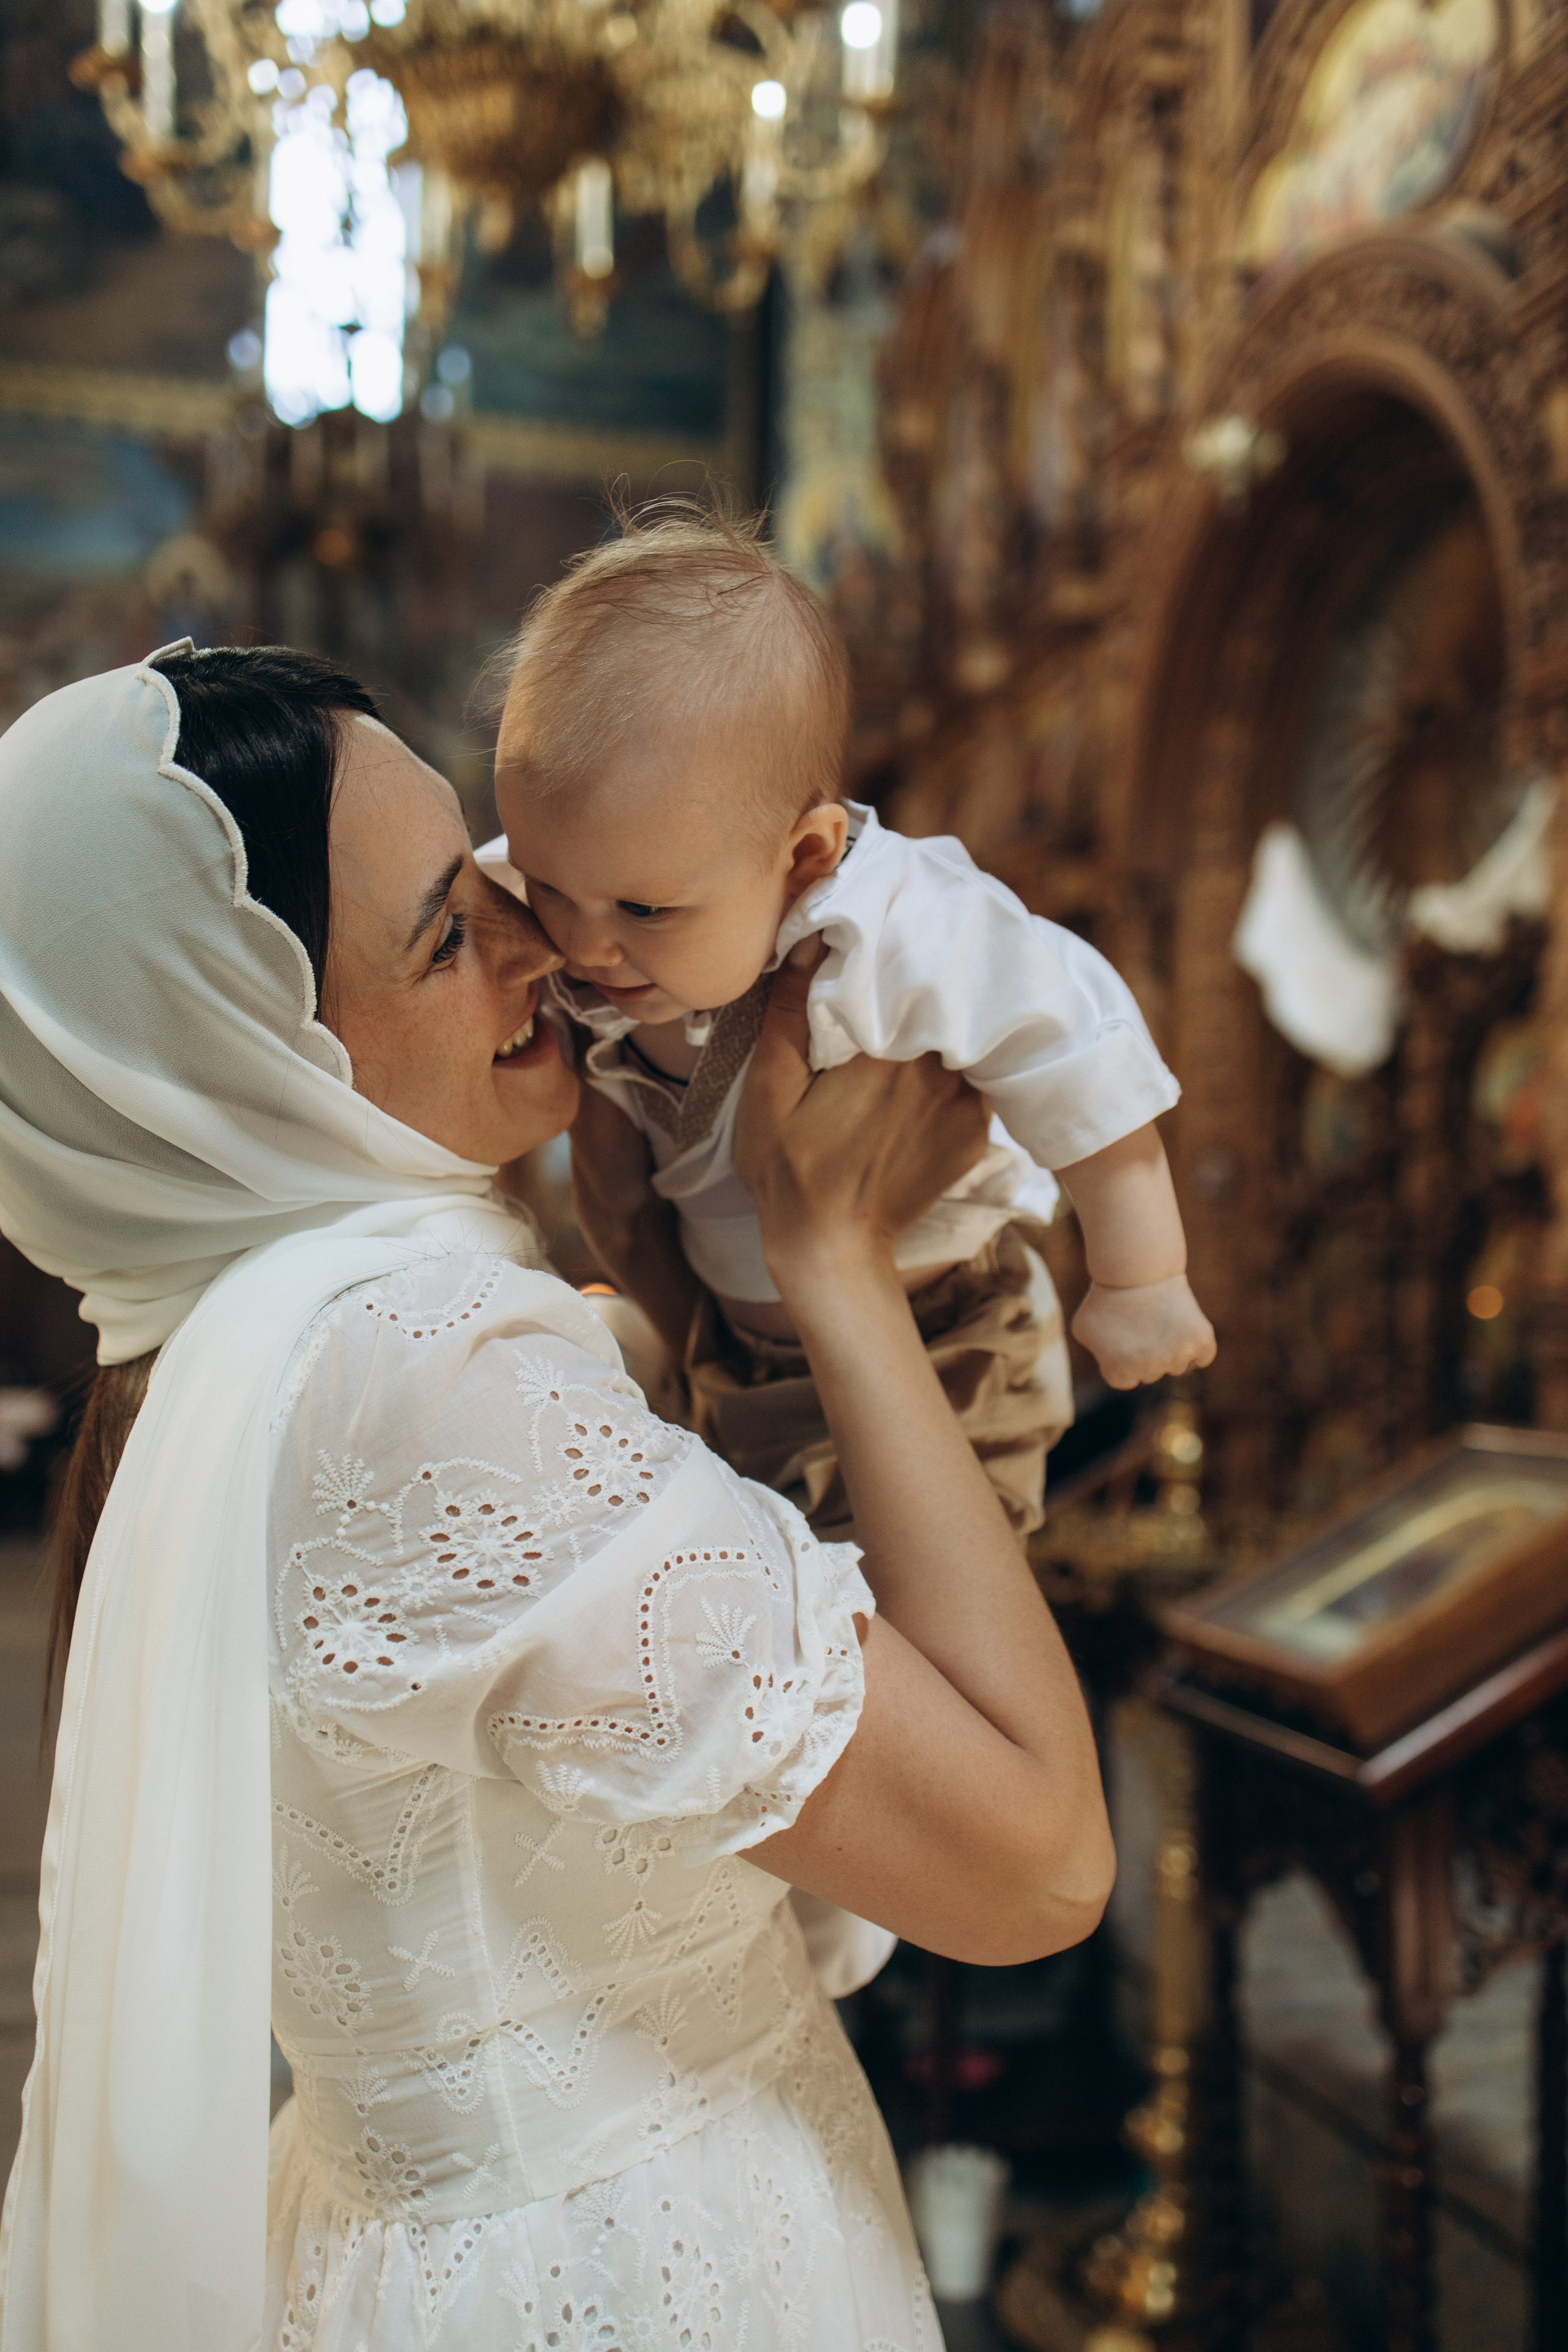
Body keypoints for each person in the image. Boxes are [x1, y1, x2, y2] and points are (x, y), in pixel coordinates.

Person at [0, 642, 1114, 2352]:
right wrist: (832, 1256)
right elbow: (1034, 1864)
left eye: (489, 873)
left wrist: (656, 1282)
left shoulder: (217, 1330)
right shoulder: (422, 1373)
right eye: (449, 929)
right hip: (626, 2270)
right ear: (256, 1058)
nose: (549, 943)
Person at [481, 502, 1215, 1545]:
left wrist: (1140, 1271)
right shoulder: (584, 884)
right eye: (550, 884)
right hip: (735, 1348)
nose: (585, 944)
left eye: (644, 910)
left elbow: (1067, 1027)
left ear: (807, 857)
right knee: (755, 1573)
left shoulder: (884, 926)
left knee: (898, 1613)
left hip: (948, 1340)